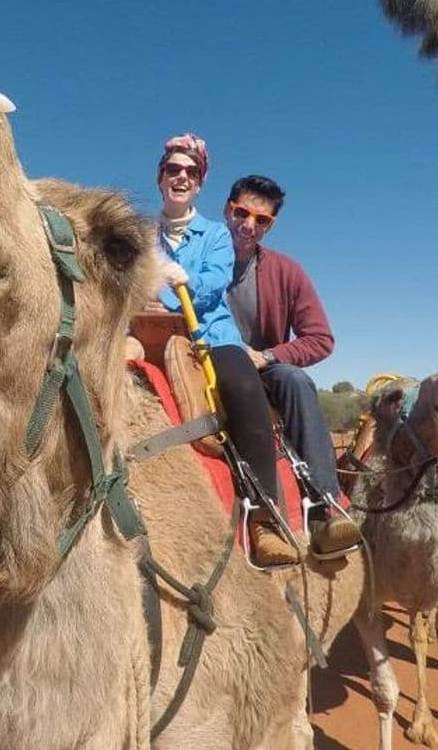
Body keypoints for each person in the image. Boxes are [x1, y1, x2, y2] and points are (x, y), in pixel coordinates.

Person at [152, 134, 299, 566]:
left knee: (242, 384)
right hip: (148, 339)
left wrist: (163, 288)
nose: (181, 177)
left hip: (209, 339)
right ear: (161, 176)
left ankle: (264, 516)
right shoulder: (140, 234)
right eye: (174, 169)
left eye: (190, 172)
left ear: (199, 184)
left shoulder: (216, 236)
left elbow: (213, 283)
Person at [222, 174, 361, 557]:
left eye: (261, 220)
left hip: (262, 372)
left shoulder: (287, 271)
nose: (248, 225)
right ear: (227, 209)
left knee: (295, 380)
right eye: (241, 212)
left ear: (271, 225)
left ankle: (326, 508)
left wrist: (267, 355)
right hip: (199, 363)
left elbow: (320, 339)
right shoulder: (201, 259)